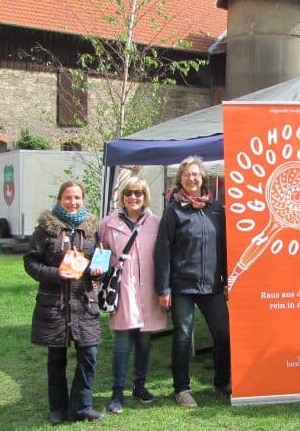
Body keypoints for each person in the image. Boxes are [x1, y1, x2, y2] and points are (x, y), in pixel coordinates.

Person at [23, 180, 104, 424]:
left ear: (83, 200)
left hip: (84, 303)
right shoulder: (45, 230)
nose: (73, 202)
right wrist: (56, 274)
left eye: (77, 197)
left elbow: (98, 258)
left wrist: (99, 271)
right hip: (55, 305)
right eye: (68, 197)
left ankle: (81, 407)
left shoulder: (91, 228)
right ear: (60, 200)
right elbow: (31, 262)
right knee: (56, 358)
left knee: (89, 354)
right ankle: (57, 408)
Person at [154, 156, 231, 408]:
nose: (192, 178)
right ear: (180, 180)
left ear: (203, 177)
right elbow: (163, 250)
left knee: (223, 333)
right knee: (183, 336)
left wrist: (228, 280)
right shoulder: (173, 210)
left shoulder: (215, 209)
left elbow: (225, 246)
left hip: (212, 285)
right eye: (187, 175)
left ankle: (222, 382)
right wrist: (163, 287)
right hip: (183, 286)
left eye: (196, 174)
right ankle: (182, 389)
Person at [99, 177, 167, 413]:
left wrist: (164, 288)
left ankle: (139, 385)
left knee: (145, 342)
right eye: (129, 193)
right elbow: (101, 254)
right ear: (123, 196)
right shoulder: (108, 223)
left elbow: (162, 257)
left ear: (145, 195)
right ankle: (117, 392)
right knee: (123, 343)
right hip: (124, 291)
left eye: (138, 193)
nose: (133, 197)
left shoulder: (155, 223)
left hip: (147, 290)